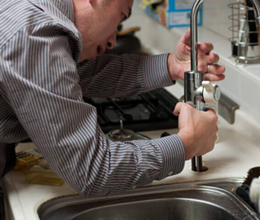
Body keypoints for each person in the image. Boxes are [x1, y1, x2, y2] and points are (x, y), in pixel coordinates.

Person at [0, 0, 226, 198]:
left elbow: (83, 74)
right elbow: (93, 171)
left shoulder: (35, 14)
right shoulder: (35, 35)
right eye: (120, 20)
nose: (112, 41)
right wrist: (187, 143)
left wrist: (171, 65)